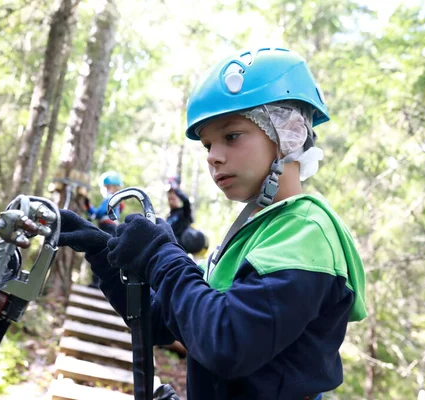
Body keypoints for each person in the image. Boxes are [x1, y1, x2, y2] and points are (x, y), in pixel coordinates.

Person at [57, 48, 367, 399]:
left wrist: (161, 254)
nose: (212, 156)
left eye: (231, 136)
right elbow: (164, 321)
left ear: (290, 135)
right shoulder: (257, 232)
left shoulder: (306, 234)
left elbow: (227, 343)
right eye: (207, 144)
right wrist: (105, 255)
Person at [83, 171, 123, 287]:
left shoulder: (110, 198)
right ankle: (100, 282)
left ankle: (97, 282)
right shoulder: (116, 200)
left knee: (100, 252)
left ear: (108, 187)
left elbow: (98, 213)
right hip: (110, 228)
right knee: (106, 253)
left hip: (108, 227)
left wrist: (87, 205)